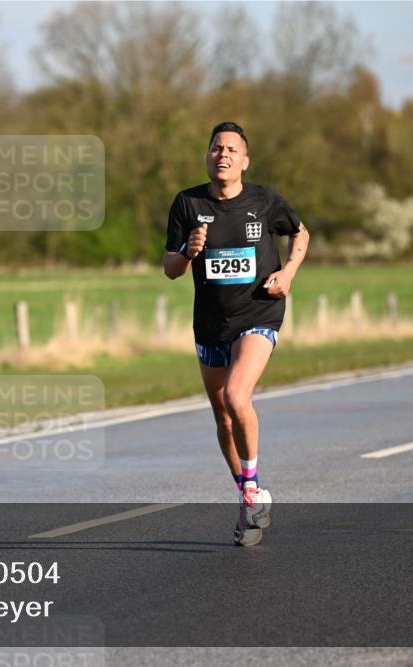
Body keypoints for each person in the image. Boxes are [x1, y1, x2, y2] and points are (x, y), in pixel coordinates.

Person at [163, 121, 310, 546]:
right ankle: (250, 495)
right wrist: (187, 252)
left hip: (259, 313)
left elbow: (300, 233)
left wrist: (288, 273)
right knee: (224, 420)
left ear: (245, 161)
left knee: (236, 396)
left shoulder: (264, 201)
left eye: (231, 149)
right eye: (216, 148)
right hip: (211, 324)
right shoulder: (187, 203)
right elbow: (169, 268)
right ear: (207, 156)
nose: (222, 154)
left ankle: (251, 493)